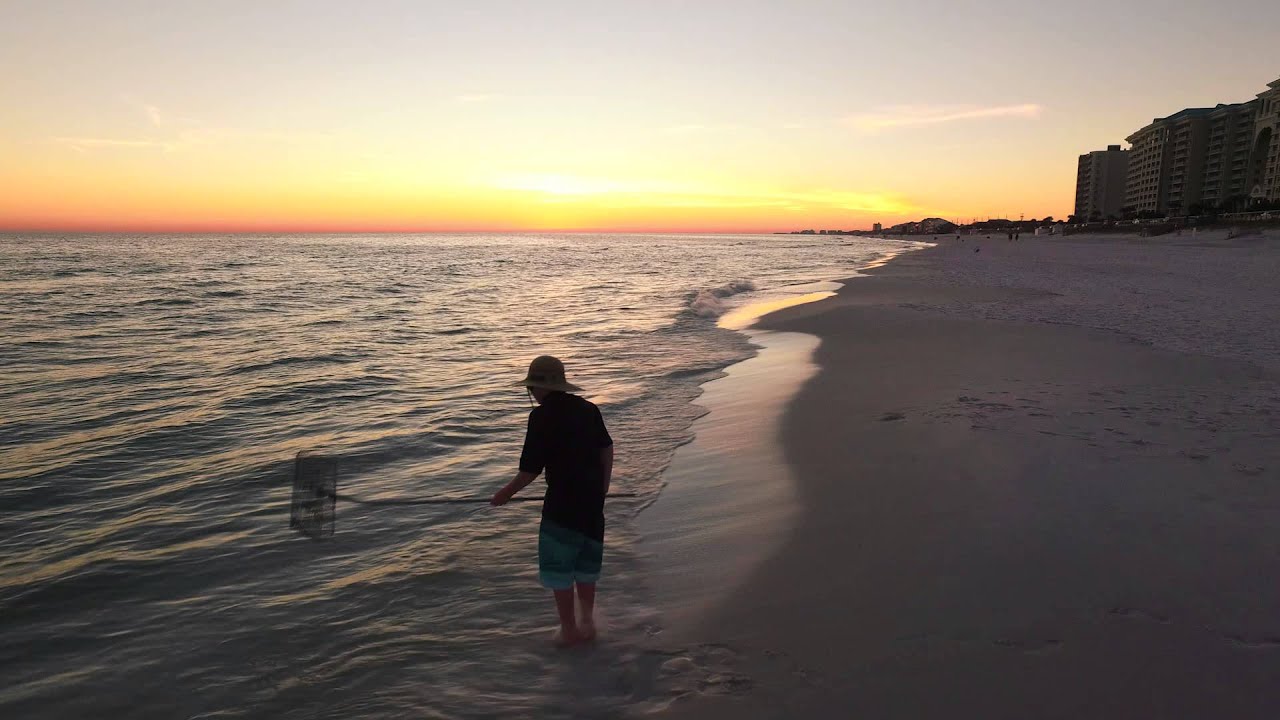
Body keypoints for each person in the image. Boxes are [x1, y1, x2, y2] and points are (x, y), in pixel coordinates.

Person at [492, 355, 614, 647]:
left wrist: (505, 494)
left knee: (560, 571)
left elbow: (530, 470)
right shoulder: (589, 409)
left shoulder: (540, 417)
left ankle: (569, 631)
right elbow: (607, 449)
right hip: (592, 506)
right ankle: (588, 624)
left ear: (540, 388)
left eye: (531, 388)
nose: (530, 393)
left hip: (561, 508)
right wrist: (603, 488)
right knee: (585, 568)